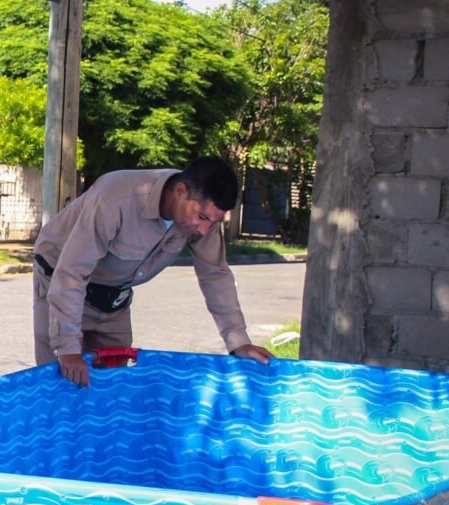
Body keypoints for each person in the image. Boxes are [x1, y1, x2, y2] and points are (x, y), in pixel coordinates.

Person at [33, 156, 273, 387]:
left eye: (214, 222)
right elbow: (72, 273)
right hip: (60, 279)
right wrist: (68, 349)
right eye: (201, 217)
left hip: (114, 297)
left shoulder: (202, 223)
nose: (204, 229)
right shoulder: (116, 198)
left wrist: (239, 342)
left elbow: (215, 275)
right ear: (180, 191)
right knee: (61, 385)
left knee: (115, 388)